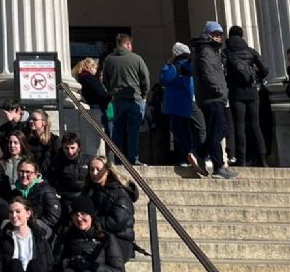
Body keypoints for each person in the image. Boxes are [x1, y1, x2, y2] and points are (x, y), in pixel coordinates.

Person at [190, 21, 237, 179]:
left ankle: (200, 153)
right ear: (209, 35)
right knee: (218, 131)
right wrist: (221, 91)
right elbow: (209, 74)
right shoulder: (206, 51)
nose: (218, 37)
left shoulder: (209, 50)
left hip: (213, 97)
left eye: (220, 35)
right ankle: (218, 167)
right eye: (215, 34)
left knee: (217, 130)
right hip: (213, 97)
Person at [223, 25, 269, 168]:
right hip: (252, 91)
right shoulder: (251, 51)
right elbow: (265, 69)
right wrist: (256, 78)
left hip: (236, 92)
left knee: (239, 125)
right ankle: (263, 159)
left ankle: (241, 159)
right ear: (242, 36)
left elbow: (222, 69)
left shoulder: (226, 52)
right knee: (256, 124)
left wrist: (230, 81)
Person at [101, 33, 150, 166]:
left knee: (118, 130)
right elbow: (145, 78)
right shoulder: (137, 59)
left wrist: (112, 91)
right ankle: (133, 159)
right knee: (134, 131)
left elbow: (105, 80)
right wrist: (144, 94)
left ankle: (119, 159)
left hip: (118, 99)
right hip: (135, 98)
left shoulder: (108, 60)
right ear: (128, 44)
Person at [159, 44, 206, 175]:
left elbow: (163, 80)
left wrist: (167, 65)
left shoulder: (173, 67)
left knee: (179, 130)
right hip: (188, 101)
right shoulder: (187, 65)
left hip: (174, 105)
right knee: (200, 126)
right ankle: (200, 154)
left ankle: (187, 153)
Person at [86, 157, 138, 261]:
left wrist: (91, 222)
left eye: (98, 169)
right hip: (100, 236)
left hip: (120, 240)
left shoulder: (120, 194)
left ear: (107, 172)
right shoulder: (91, 191)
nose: (94, 173)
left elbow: (116, 222)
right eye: (91, 169)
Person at [10, 157, 62, 239]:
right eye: (21, 171)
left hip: (41, 232)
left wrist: (34, 225)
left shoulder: (45, 190)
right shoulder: (14, 193)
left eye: (28, 172)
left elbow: (53, 216)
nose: (24, 175)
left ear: (35, 174)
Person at [72, 58, 111, 156]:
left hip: (91, 107)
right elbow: (100, 93)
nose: (96, 70)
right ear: (90, 67)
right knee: (102, 135)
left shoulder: (80, 77)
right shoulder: (89, 78)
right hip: (96, 107)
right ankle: (105, 157)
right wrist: (108, 97)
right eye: (95, 68)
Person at [47, 130, 88, 201]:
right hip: (64, 200)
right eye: (66, 148)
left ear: (78, 147)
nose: (70, 152)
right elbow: (49, 181)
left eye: (72, 148)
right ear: (62, 147)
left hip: (83, 199)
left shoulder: (88, 161)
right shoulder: (56, 162)